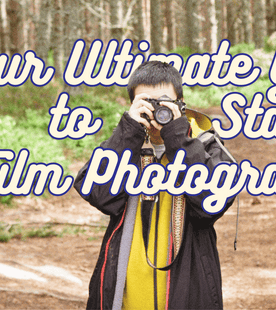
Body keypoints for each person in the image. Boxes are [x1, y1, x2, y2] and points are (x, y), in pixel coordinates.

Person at [74, 61, 237, 310]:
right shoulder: (125, 146)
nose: (155, 110)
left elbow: (210, 205)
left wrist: (178, 136)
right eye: (146, 102)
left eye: (163, 101)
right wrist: (128, 131)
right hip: (125, 296)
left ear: (181, 102)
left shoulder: (205, 146)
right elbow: (98, 194)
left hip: (187, 293)